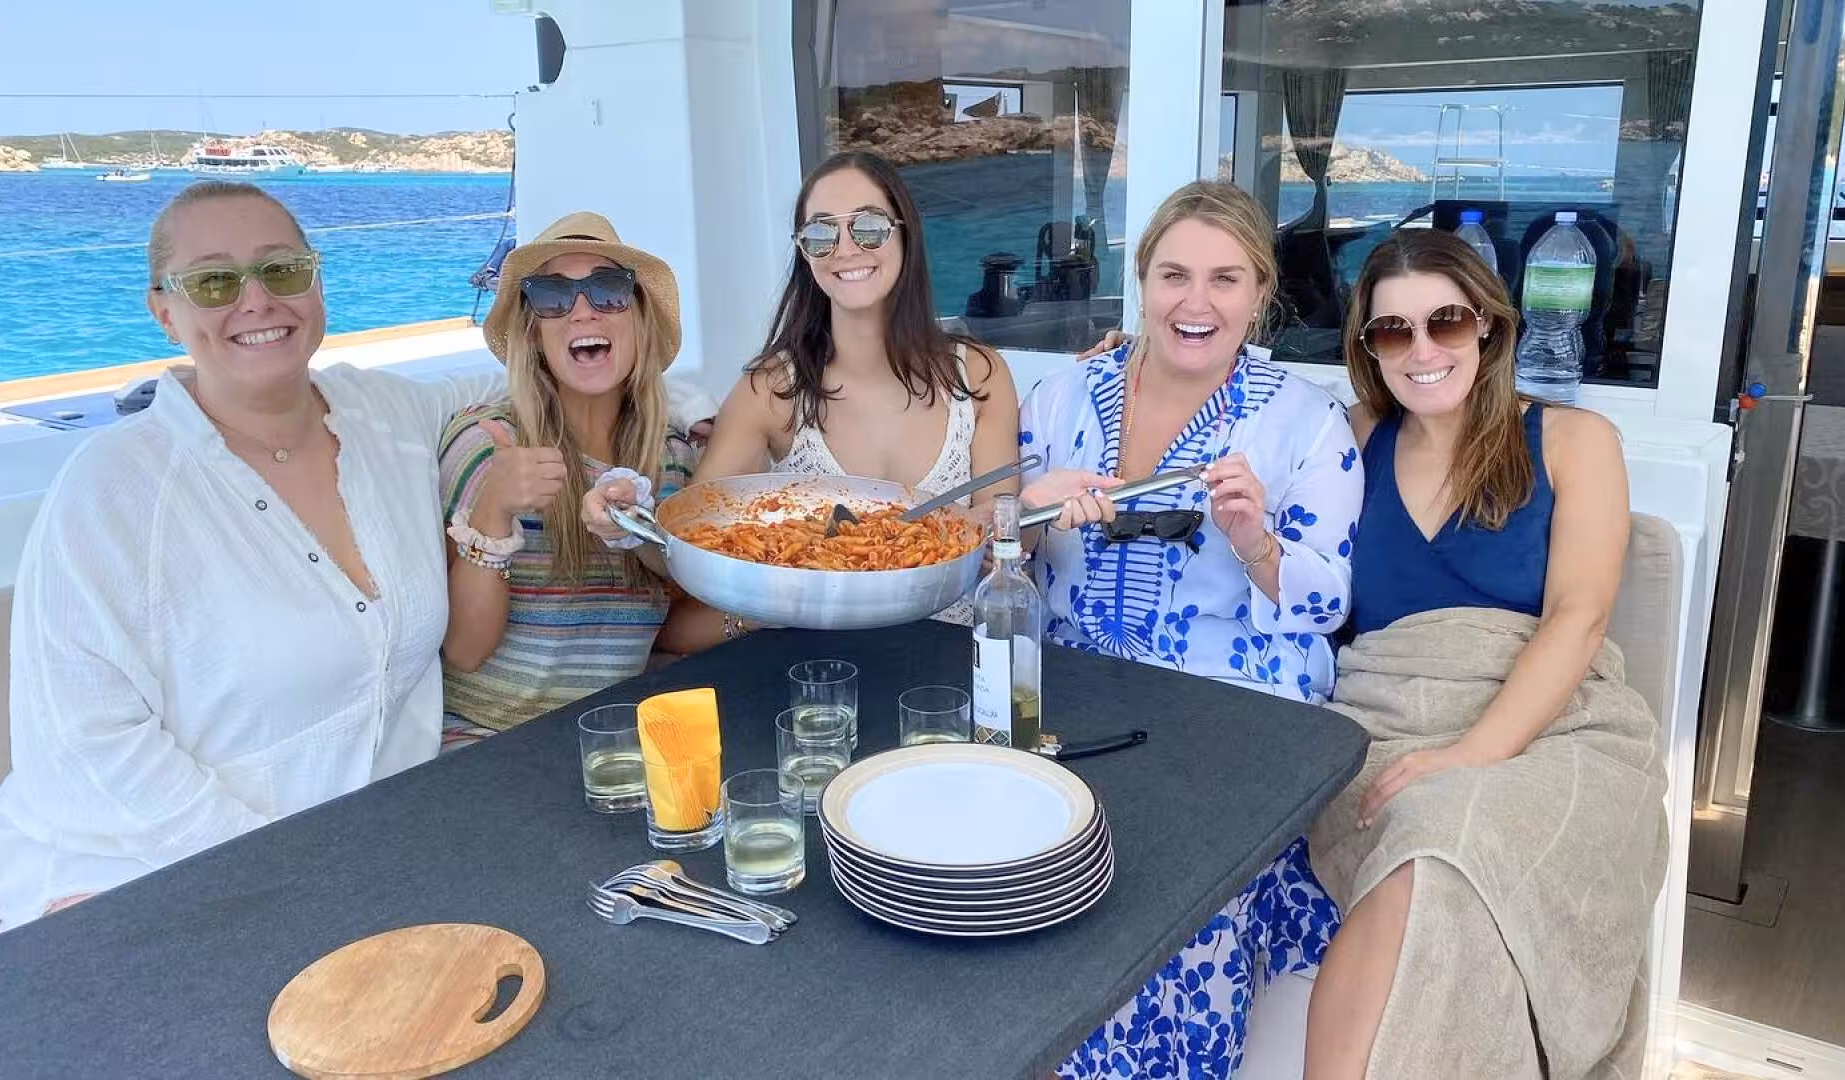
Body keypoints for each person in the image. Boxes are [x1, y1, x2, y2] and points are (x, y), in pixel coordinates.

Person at [0, 180, 508, 929]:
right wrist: (279, 880)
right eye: (215, 281)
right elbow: (85, 748)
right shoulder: (114, 490)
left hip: (368, 862)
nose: (256, 300)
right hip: (155, 881)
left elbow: (531, 379)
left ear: (317, 283)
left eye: (282, 269)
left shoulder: (387, 416)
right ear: (165, 312)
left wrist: (710, 417)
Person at [1019, 179, 1362, 1078]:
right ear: (1142, 282)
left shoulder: (1305, 422)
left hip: (1232, 703)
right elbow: (984, 555)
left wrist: (1254, 542)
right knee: (1034, 878)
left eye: (1225, 278)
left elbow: (1327, 604)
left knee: (1167, 900)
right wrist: (1024, 513)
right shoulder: (1059, 402)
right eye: (1174, 274)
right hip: (1075, 692)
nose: (1195, 302)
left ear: (1261, 293)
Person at [1303, 229, 1663, 1079]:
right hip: (1381, 719)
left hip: (1552, 728)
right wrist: (1129, 363)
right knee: (1431, 838)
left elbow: (1578, 617)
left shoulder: (1576, 440)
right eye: (1393, 331)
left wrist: (1468, 754)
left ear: (1491, 328)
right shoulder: (1351, 438)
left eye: (1447, 322)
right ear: (1368, 348)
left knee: (1445, 830)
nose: (1423, 350)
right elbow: (1233, 444)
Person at [588, 151, 1020, 628]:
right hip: (818, 672)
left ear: (905, 234)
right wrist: (627, 524)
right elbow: (692, 544)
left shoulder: (977, 375)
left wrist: (1006, 529)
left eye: (869, 226)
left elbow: (1005, 534)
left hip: (955, 666)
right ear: (803, 251)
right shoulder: (770, 390)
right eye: (820, 233)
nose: (846, 248)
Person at [436, 213, 712, 742]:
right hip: (488, 743)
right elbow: (464, 651)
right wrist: (494, 509)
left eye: (609, 290)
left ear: (639, 319)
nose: (583, 310)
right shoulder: (488, 443)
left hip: (614, 741)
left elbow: (673, 619)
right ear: (533, 332)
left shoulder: (672, 461)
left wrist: (771, 609)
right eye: (551, 296)